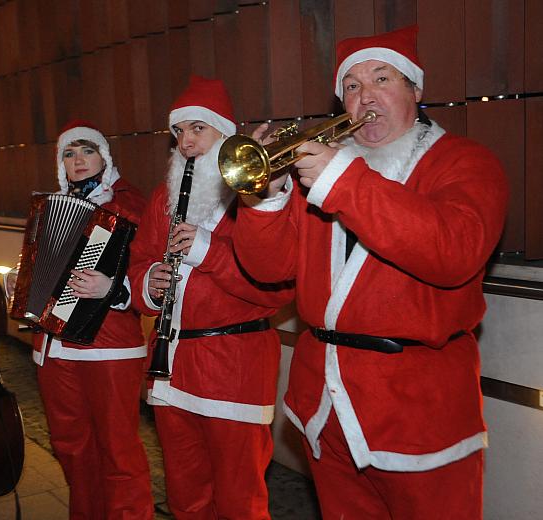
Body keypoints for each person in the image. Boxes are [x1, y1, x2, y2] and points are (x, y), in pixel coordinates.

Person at [233, 26, 509, 519]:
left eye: (382, 79)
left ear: (415, 91)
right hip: (325, 409)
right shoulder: (323, 172)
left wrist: (344, 181)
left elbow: (453, 253)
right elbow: (266, 270)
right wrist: (267, 197)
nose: (366, 98)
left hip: (419, 413)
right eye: (353, 87)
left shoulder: (466, 162)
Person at [128, 75, 293, 518]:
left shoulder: (256, 197)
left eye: (198, 129)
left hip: (233, 369)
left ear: (225, 134)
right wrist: (149, 281)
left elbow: (275, 289)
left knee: (239, 499)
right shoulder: (164, 196)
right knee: (186, 495)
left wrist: (205, 251)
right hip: (172, 367)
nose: (186, 142)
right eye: (179, 132)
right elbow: (139, 258)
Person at [25, 120, 154, 519]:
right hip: (55, 348)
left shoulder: (130, 205)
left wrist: (113, 289)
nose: (78, 160)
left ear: (105, 157)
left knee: (118, 451)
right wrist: (23, 284)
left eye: (86, 151)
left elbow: (153, 275)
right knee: (70, 446)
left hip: (110, 349)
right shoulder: (51, 207)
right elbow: (43, 274)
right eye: (69, 153)